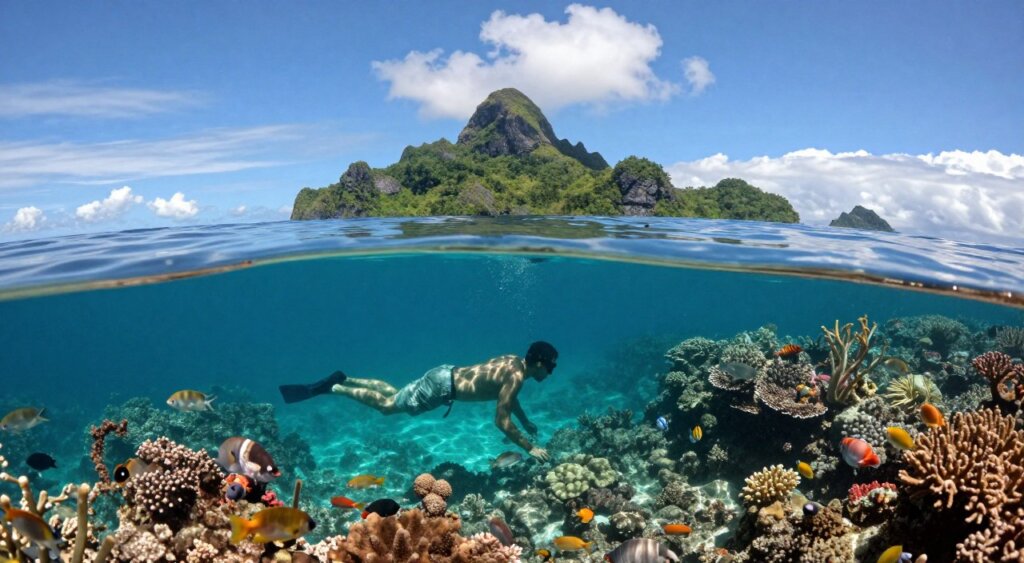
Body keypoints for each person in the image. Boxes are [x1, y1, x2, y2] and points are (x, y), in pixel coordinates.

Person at [278, 341, 558, 461]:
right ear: (540, 363)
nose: (552, 372)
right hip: (441, 389)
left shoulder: (512, 361)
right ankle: (335, 388)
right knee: (388, 408)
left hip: (444, 372)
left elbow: (509, 400)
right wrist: (529, 447)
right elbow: (501, 419)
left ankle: (348, 378)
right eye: (552, 367)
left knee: (395, 393)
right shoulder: (516, 377)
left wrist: (526, 421)